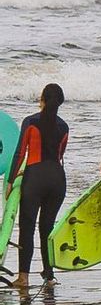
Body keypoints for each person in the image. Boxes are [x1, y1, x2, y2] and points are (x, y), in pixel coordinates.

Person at [6, 84, 68, 288]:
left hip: (35, 180)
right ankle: (49, 276)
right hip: (57, 181)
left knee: (27, 228)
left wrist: (10, 180)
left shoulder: (30, 122)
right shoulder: (64, 127)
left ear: (42, 99)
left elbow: (20, 153)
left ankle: (23, 277)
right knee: (47, 228)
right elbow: (59, 154)